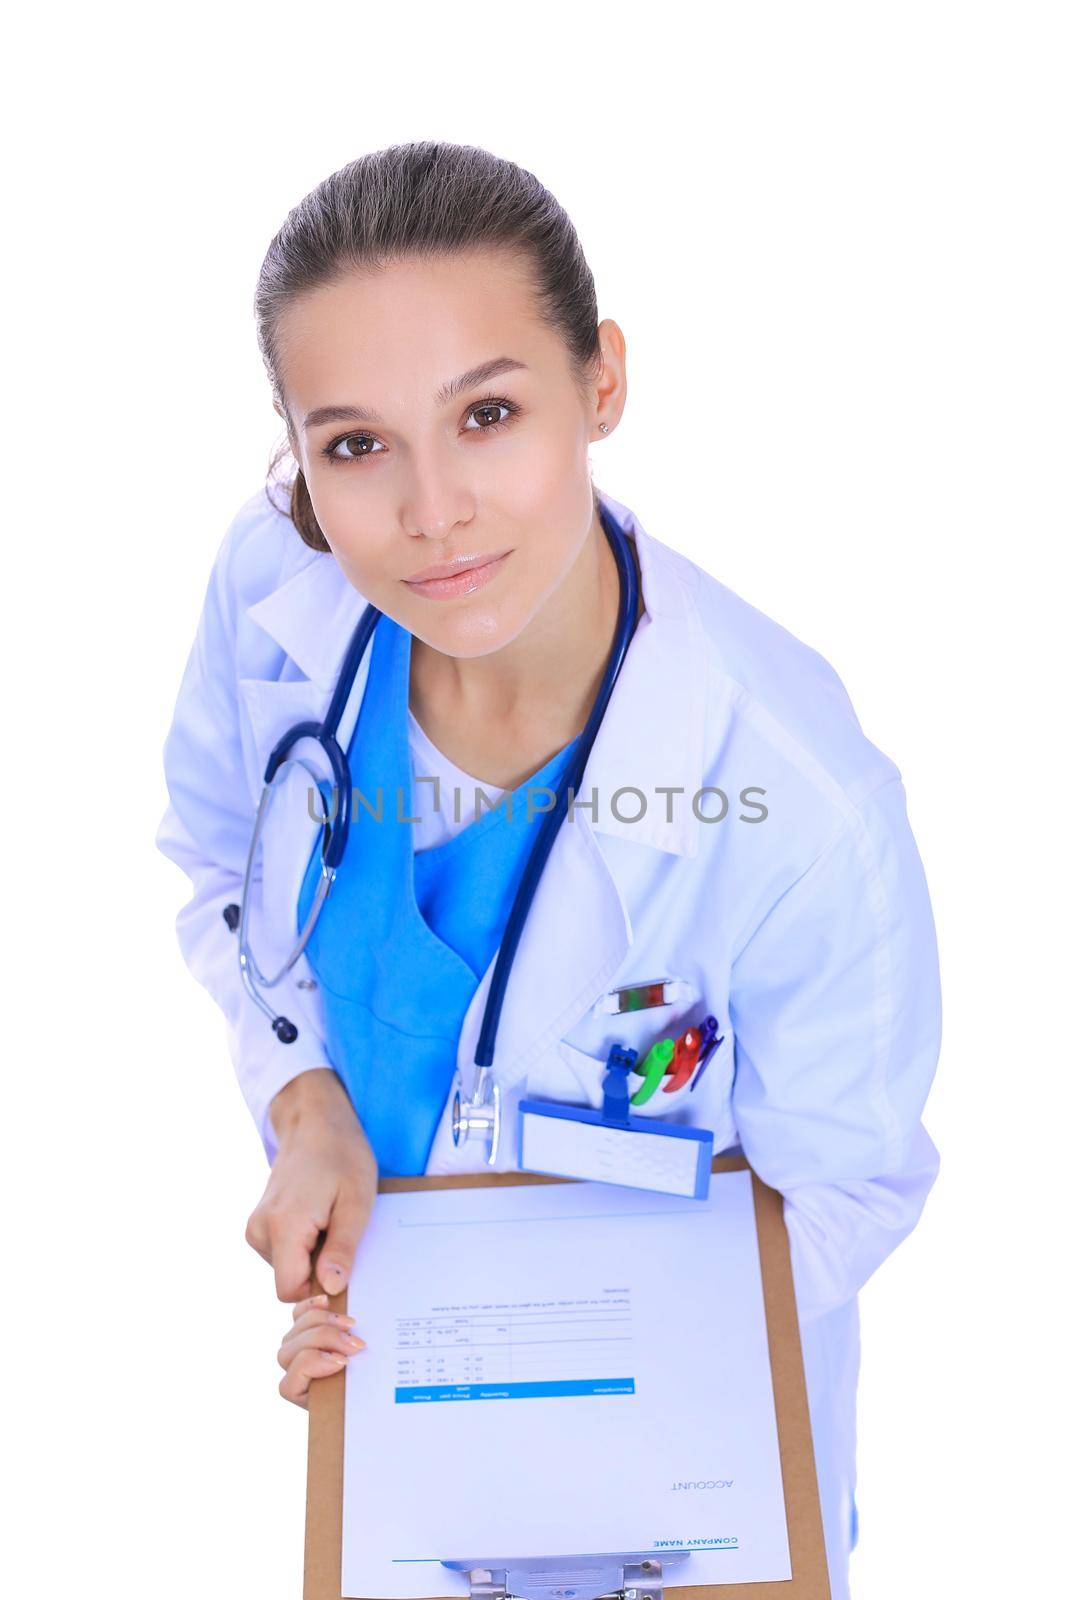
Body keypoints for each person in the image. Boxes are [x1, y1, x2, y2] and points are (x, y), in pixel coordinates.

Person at [156, 140, 941, 1598]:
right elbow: (220, 863)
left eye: (491, 413)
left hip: (682, 1488)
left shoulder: (789, 792)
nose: (431, 511)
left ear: (604, 384)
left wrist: (534, 1337)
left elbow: (848, 1186)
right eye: (354, 444)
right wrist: (309, 1109)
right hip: (403, 1426)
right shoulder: (275, 602)